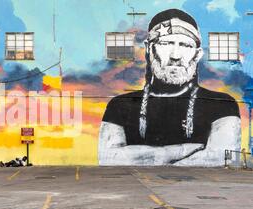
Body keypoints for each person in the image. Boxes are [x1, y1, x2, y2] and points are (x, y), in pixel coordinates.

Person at [98, 9, 241, 166]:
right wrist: (177, 152)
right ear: (148, 48)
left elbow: (226, 159)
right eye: (166, 43)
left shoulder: (222, 104)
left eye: (185, 45)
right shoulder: (120, 105)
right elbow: (107, 159)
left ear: (198, 54)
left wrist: (137, 156)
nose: (176, 56)